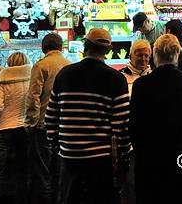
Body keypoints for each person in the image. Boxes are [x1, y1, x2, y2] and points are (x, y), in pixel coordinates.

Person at [46, 28, 130, 203]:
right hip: (100, 158)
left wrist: (56, 145)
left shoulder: (64, 74)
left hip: (69, 156)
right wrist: (123, 155)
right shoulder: (116, 79)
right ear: (108, 50)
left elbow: (51, 116)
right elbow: (121, 124)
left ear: (85, 45)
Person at [130, 34, 182, 204]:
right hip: (181, 159)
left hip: (151, 161)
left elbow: (134, 127)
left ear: (155, 54)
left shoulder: (141, 85)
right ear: (177, 54)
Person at [24, 32, 70, 204]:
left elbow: (33, 97)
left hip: (43, 126)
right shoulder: (70, 66)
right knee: (60, 170)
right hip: (64, 126)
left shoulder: (40, 66)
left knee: (42, 172)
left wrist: (31, 123)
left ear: (43, 47)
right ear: (61, 47)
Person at [0, 52, 32, 204]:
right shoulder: (32, 78)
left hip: (3, 129)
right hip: (24, 129)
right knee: (22, 172)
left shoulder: (2, 79)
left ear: (9, 63)